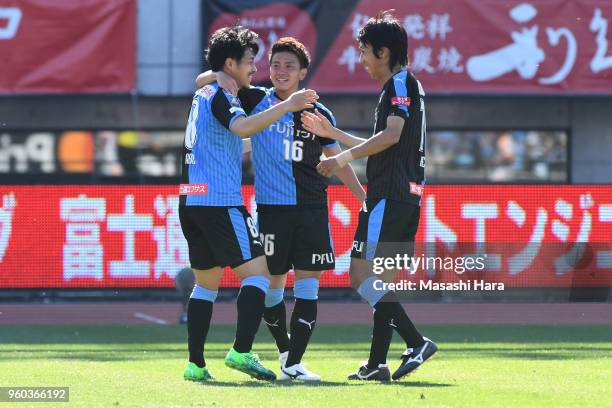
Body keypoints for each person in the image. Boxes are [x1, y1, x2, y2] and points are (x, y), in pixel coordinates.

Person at [196, 37, 365, 381]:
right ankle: (286, 351)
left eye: (289, 66)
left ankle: (293, 363)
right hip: (271, 212)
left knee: (307, 287)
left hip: (313, 209)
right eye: (275, 65)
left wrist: (363, 198)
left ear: (304, 72)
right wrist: (222, 73)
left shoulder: (318, 114)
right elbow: (204, 82)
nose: (280, 71)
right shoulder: (254, 98)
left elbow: (338, 158)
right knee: (272, 288)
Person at [301, 10, 437, 381]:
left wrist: (341, 156)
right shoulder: (408, 86)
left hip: (389, 196)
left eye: (364, 52)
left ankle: (415, 342)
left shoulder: (399, 85)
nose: (361, 60)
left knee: (360, 276)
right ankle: (378, 364)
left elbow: (390, 137)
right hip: (405, 196)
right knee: (381, 284)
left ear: (383, 52)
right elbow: (386, 143)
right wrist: (336, 133)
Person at [180, 25, 318, 382]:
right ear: (231, 63)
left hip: (192, 200)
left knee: (206, 285)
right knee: (259, 277)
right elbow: (242, 129)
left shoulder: (208, 90)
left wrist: (221, 73)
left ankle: (195, 365)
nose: (255, 69)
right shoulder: (222, 96)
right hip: (220, 202)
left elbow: (204, 78)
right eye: (249, 62)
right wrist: (287, 105)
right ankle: (241, 352)